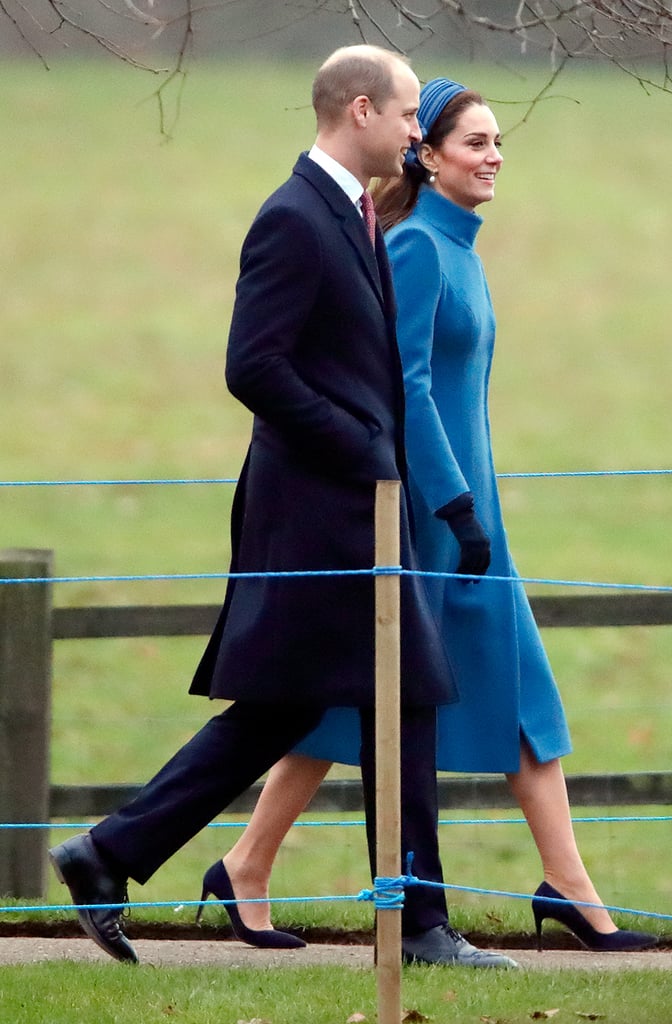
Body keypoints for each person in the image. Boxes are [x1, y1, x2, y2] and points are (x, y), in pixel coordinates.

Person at [48, 50, 517, 970]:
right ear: (358, 111)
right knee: (399, 696)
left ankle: (107, 853)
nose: (415, 133)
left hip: (347, 509)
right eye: (406, 116)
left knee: (284, 710)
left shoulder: (353, 215)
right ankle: (420, 925)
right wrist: (366, 447)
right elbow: (251, 367)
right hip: (316, 514)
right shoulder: (294, 217)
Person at [214, 78, 658, 954]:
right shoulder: (414, 247)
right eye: (475, 142)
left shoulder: (462, 249)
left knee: (444, 698)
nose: (493, 157)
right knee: (402, 699)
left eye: (499, 144)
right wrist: (452, 507)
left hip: (470, 512)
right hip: (432, 519)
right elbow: (407, 392)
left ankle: (248, 863)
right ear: (425, 153)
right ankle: (250, 864)